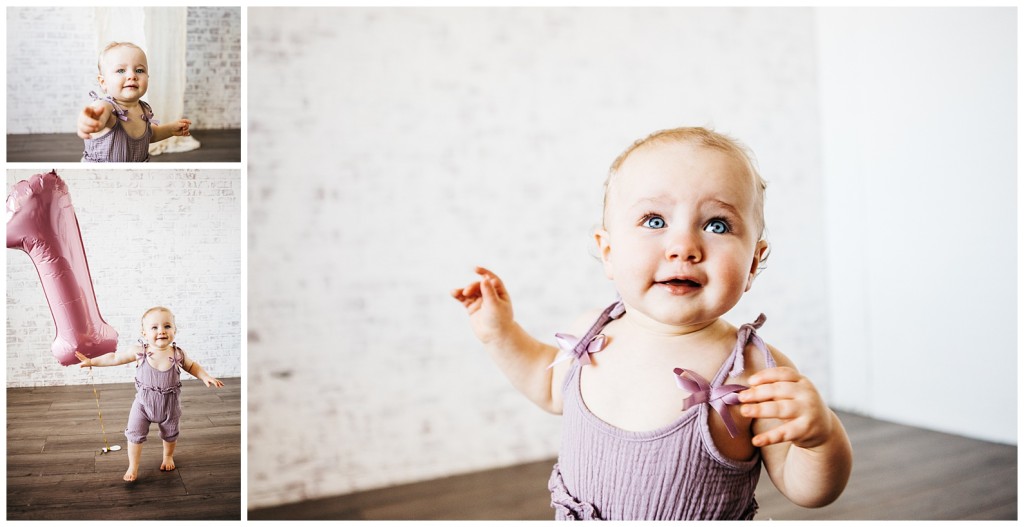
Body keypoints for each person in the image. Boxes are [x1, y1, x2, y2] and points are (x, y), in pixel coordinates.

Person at [451, 127, 852, 520]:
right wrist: (499, 332)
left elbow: (808, 491)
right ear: (608, 251)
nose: (683, 248)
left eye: (717, 225)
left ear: (751, 264)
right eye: (655, 220)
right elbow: (547, 385)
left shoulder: (754, 372)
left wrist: (820, 440)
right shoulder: (594, 333)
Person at [76, 306, 223, 482]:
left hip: (170, 406)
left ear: (175, 330)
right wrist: (91, 361)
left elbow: (192, 366)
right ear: (144, 333)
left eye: (167, 326)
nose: (161, 331)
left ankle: (168, 456)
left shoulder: (178, 354)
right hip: (143, 405)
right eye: (154, 327)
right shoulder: (140, 352)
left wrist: (205, 376)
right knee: (134, 435)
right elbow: (114, 358)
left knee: (170, 434)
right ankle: (133, 466)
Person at [77, 42, 192, 162]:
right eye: (121, 70)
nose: (132, 75)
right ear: (103, 82)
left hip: (136, 175)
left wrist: (170, 130)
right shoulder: (106, 107)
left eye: (139, 70)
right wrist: (90, 120)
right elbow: (99, 113)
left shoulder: (143, 109)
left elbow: (148, 135)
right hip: (103, 176)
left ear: (147, 77)